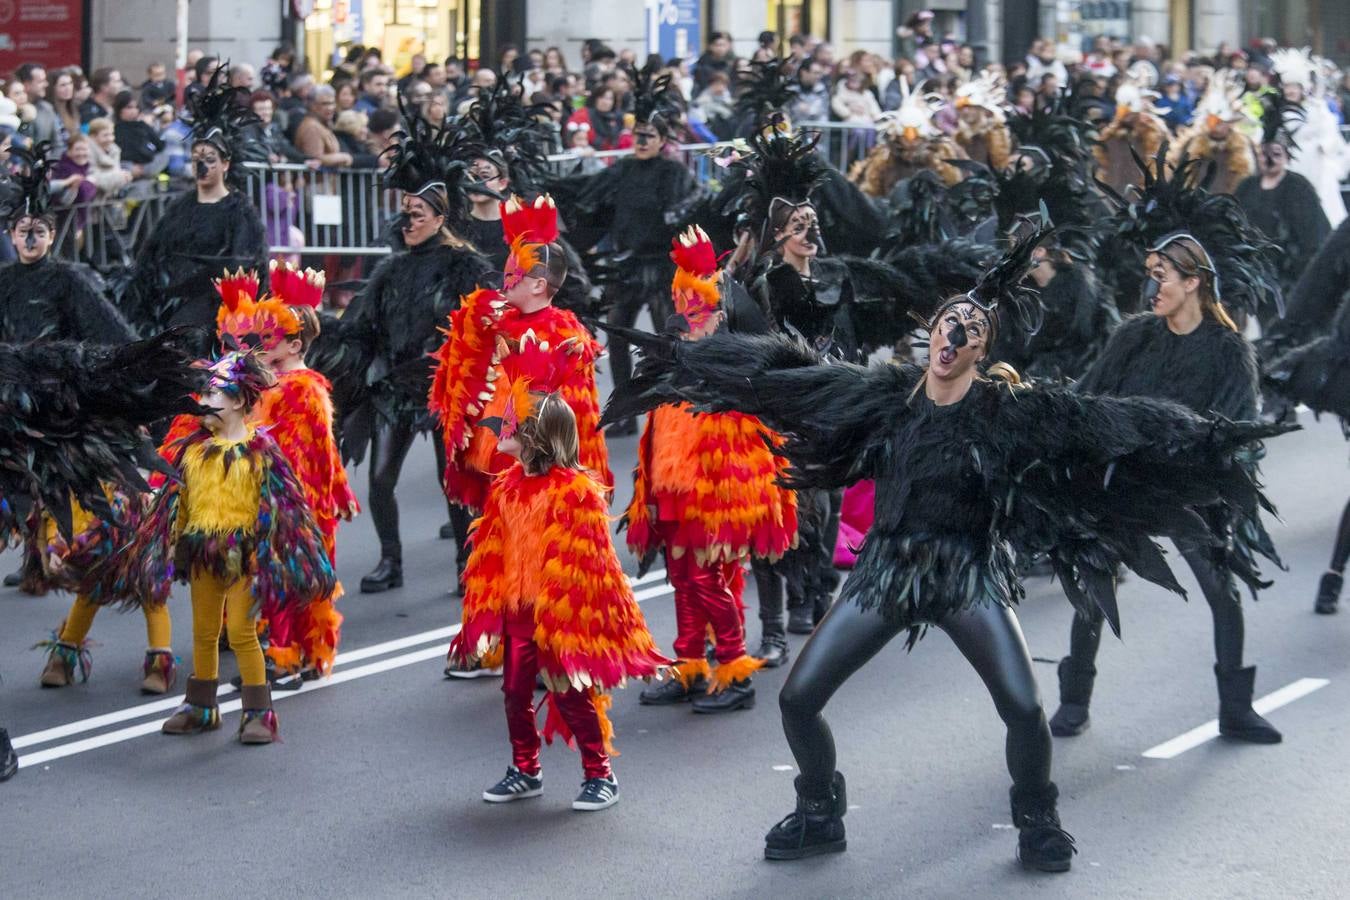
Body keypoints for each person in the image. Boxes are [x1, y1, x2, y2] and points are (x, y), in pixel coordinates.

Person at [602, 219, 1289, 869]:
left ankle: (1037, 819)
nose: (953, 334)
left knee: (1023, 708)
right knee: (798, 699)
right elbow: (791, 378)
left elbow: (1103, 419)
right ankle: (819, 809)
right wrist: (728, 336)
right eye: (947, 323)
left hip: (966, 576)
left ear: (982, 351)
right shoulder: (885, 399)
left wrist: (1202, 434)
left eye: (971, 329)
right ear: (931, 335)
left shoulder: (1009, 414)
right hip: (887, 574)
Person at [1050, 170, 1288, 745]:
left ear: (1194, 282)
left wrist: (1184, 454)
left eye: (1161, 276)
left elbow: (1230, 430)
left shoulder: (1228, 350)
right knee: (1094, 584)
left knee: (1219, 588)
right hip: (1126, 481)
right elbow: (1088, 396)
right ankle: (1074, 697)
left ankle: (1236, 709)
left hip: (1190, 488)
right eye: (1150, 274)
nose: (1150, 284)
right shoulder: (1135, 335)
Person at [0, 320, 212, 783]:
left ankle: (159, 659)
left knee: (149, 587)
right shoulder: (77, 451)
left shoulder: (122, 442)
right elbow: (52, 493)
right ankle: (66, 653)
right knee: (92, 589)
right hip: (95, 529)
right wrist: (52, 543)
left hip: (133, 520)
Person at [452, 366, 668, 810]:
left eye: (509, 422)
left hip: (560, 613)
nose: (499, 427)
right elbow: (491, 551)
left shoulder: (576, 493)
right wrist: (483, 609)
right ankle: (525, 769)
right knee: (514, 692)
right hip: (518, 611)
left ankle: (600, 774)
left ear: (534, 435)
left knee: (570, 694)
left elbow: (594, 564)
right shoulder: (506, 487)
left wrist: (576, 618)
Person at [99, 350, 335, 745]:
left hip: (247, 556)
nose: (204, 401)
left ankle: (259, 712)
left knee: (242, 632)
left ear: (240, 401)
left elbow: (286, 509)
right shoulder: (193, 451)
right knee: (204, 632)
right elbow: (176, 503)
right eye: (203, 394)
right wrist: (163, 546)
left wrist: (282, 556)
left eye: (213, 394)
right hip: (202, 552)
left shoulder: (263, 453)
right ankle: (201, 707)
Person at [320, 105, 491, 593]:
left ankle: (467, 563)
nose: (409, 220)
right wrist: (318, 330)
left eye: (419, 213)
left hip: (444, 389)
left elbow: (483, 325)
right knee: (377, 480)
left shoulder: (466, 266)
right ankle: (390, 561)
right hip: (394, 388)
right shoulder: (392, 270)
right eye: (406, 213)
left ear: (440, 217)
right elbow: (361, 327)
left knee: (453, 482)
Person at [625, 228, 797, 710]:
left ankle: (734, 670)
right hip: (673, 488)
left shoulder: (735, 365)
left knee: (706, 579)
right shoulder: (676, 355)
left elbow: (747, 444)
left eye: (695, 309)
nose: (684, 318)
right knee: (680, 577)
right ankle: (689, 667)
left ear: (720, 315)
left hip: (713, 497)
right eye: (680, 306)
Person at [430, 194, 611, 627]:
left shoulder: (566, 332)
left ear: (539, 284)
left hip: (542, 468)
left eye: (515, 270)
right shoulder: (489, 318)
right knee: (495, 551)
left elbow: (580, 418)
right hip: (496, 457)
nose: (504, 276)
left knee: (543, 553)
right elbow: (458, 378)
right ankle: (502, 639)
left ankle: (545, 637)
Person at [0, 142, 141, 594]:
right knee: (22, 474)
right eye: (22, 229)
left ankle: (64, 551)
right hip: (12, 391)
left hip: (57, 392)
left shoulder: (69, 277)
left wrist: (135, 361)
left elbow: (108, 327)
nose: (29, 237)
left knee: (55, 474)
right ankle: (34, 558)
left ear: (52, 234)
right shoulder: (2, 280)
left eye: (38, 229)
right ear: (10, 233)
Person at [214, 265, 357, 681]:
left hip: (295, 502)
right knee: (290, 577)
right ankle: (304, 655)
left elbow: (311, 451)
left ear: (294, 345)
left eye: (267, 340)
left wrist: (329, 493)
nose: (257, 349)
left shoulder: (300, 389)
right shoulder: (279, 385)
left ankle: (286, 655)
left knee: (285, 578)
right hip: (294, 499)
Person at [560, 64, 694, 435]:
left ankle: (669, 413)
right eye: (637, 134)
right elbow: (585, 189)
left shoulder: (674, 174)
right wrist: (540, 184)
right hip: (627, 266)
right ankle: (625, 411)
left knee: (667, 344)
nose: (641, 140)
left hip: (661, 267)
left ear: (662, 139)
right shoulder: (623, 170)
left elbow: (688, 213)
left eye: (649, 135)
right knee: (617, 334)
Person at [121, 66, 267, 355]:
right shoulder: (180, 207)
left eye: (210, 159)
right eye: (197, 158)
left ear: (225, 163)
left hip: (216, 310)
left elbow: (250, 268)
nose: (202, 166)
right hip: (174, 303)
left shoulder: (240, 211)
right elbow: (151, 257)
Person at [1233, 92, 1330, 313]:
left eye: (1276, 154)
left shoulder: (1298, 187)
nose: (1269, 160)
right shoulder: (1247, 187)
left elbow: (1313, 236)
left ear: (1286, 156)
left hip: (1289, 279)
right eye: (1264, 154)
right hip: (1252, 277)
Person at [1270, 47, 1349, 227]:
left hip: (1319, 166)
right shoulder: (1279, 111)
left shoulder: (1317, 108)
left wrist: (1321, 120)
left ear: (1302, 88)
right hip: (1293, 164)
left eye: (1294, 87)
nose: (1290, 91)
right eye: (1287, 86)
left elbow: (1331, 134)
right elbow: (1289, 131)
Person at [293, 85, 355, 168]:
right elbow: (314, 159)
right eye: (325, 104)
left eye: (332, 103)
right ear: (312, 105)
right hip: (317, 180)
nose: (330, 108)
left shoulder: (323, 124)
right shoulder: (311, 127)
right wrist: (343, 157)